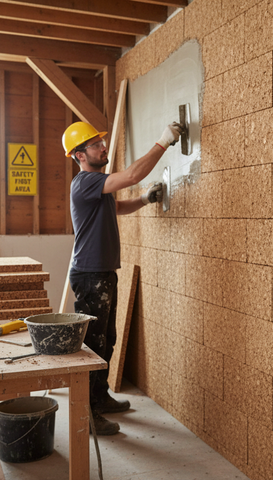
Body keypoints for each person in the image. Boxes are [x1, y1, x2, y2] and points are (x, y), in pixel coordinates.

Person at [62, 120, 184, 435]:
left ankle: (99, 398)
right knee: (93, 343)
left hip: (101, 273)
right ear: (79, 155)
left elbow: (115, 207)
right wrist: (163, 141)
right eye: (95, 145)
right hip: (90, 275)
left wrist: (144, 200)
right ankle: (87, 413)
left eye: (102, 143)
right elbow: (131, 175)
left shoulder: (97, 185)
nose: (103, 147)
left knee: (107, 340)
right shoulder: (84, 182)